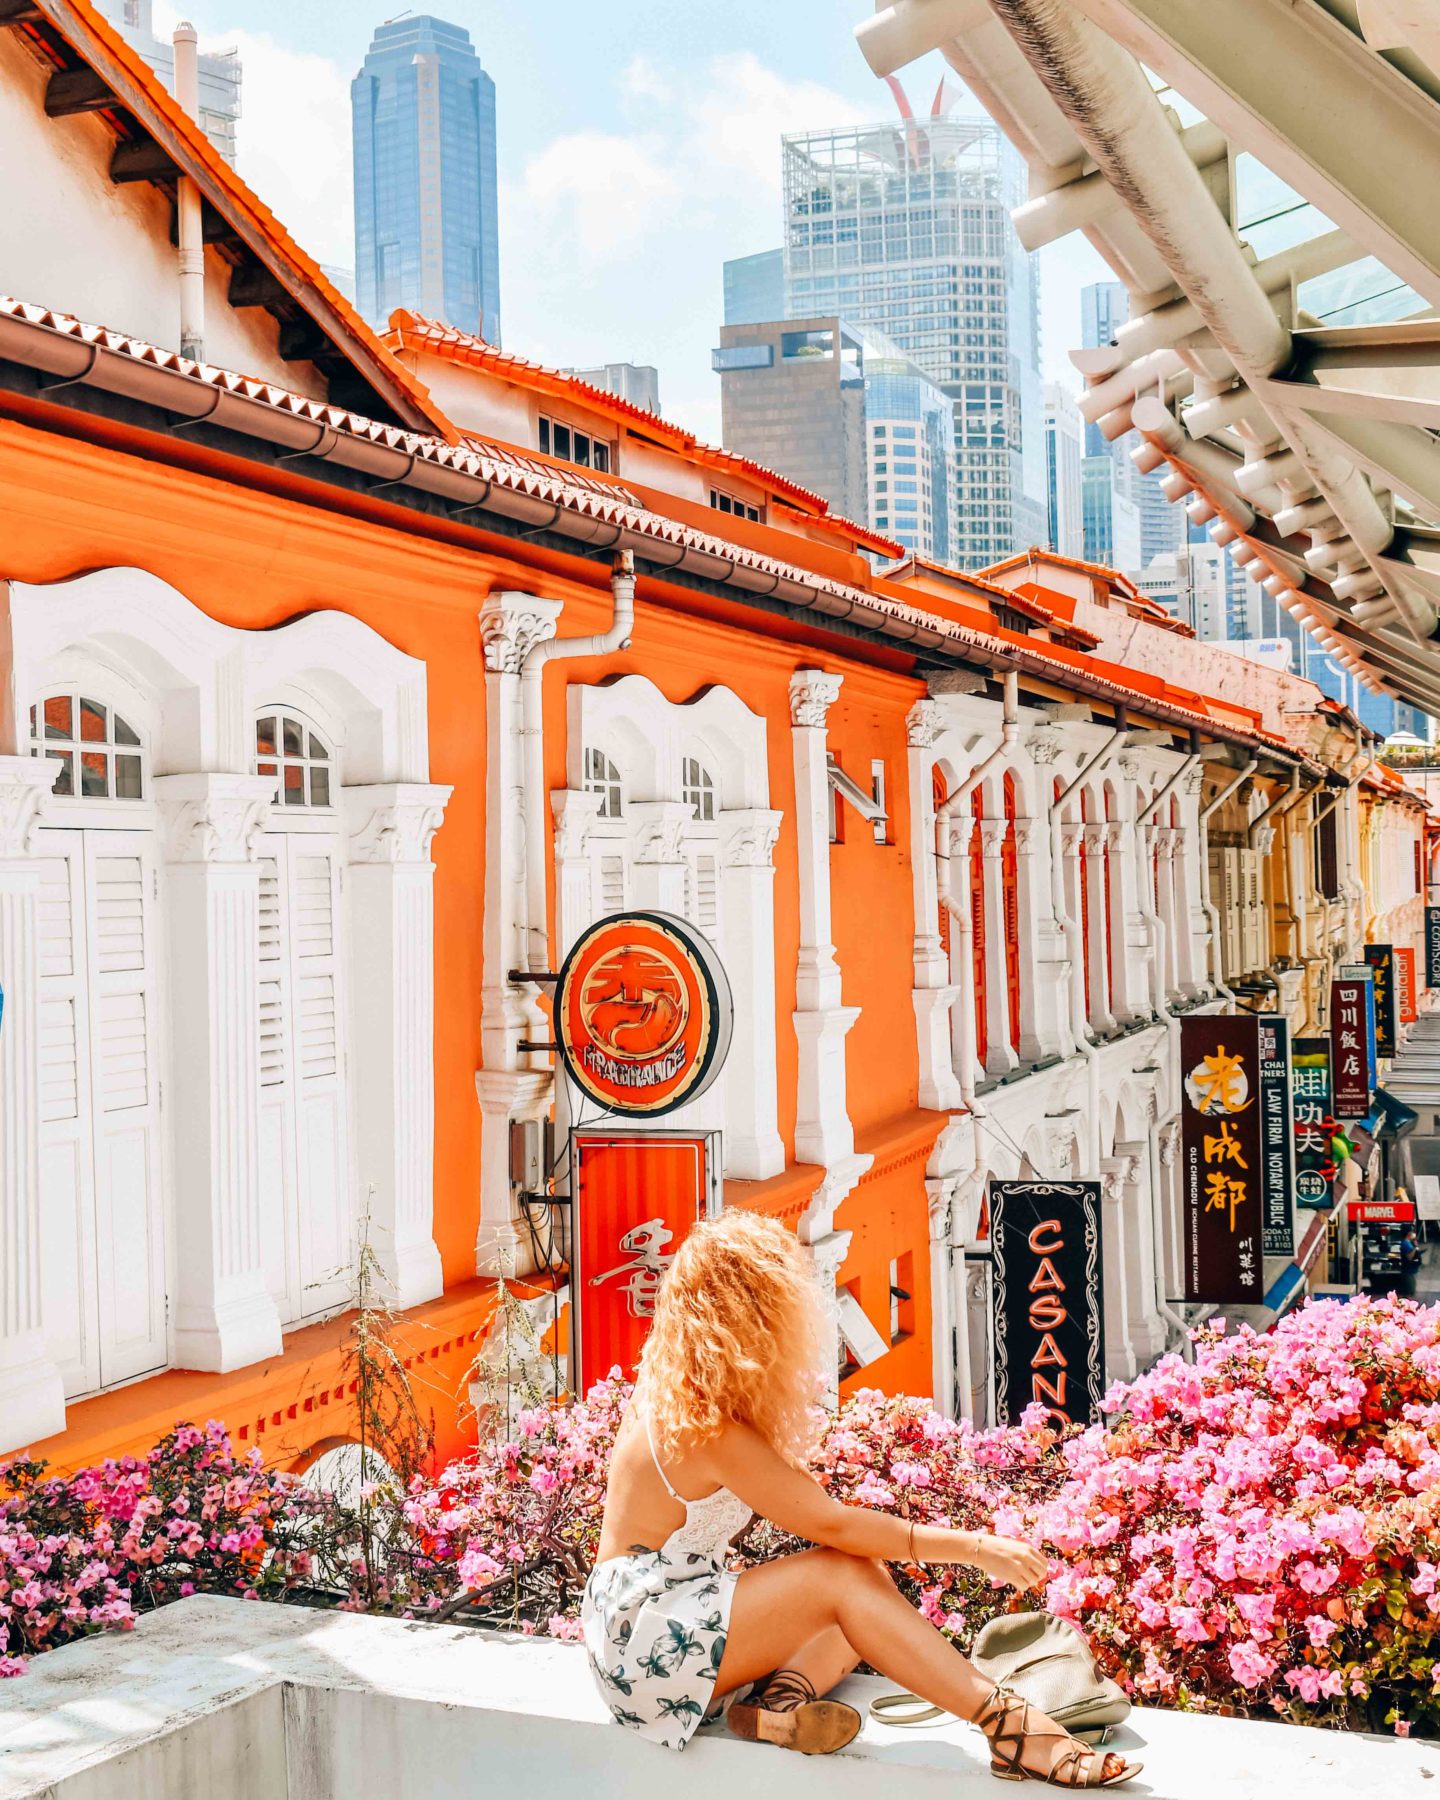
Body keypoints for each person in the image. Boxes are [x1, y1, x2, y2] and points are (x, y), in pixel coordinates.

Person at [581, 1210, 1140, 1786]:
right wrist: (975, 1548)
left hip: (649, 1632)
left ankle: (775, 1709)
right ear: (749, 1318)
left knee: (861, 1604)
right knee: (845, 1578)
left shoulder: (680, 1394)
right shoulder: (707, 1428)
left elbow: (814, 1511)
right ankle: (1012, 1726)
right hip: (644, 1643)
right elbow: (835, 1527)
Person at [1399, 1218, 1423, 1298]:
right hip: (1407, 1271)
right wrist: (1414, 1248)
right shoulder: (1405, 1244)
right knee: (1410, 1291)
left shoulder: (1408, 1242)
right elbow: (1409, 1257)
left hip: (1411, 1271)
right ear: (1408, 1233)